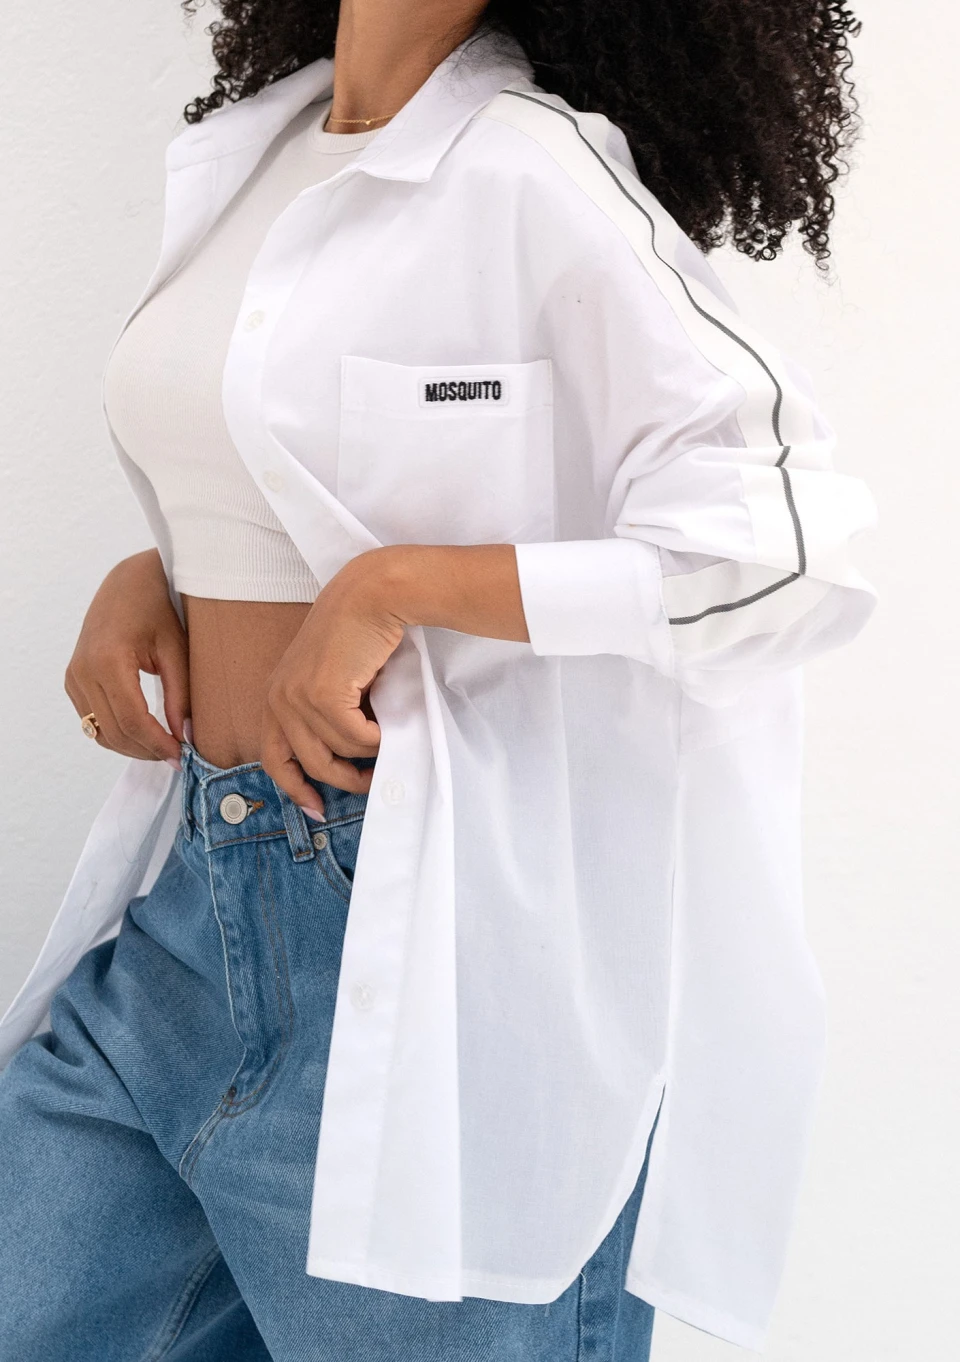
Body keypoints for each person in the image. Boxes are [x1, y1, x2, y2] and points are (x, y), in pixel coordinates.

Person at [0, 1, 877, 1358]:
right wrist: (156, 578)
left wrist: (398, 587)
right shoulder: (261, 148)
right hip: (189, 920)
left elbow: (779, 552)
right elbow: (280, 479)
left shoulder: (534, 170)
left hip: (428, 965)